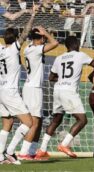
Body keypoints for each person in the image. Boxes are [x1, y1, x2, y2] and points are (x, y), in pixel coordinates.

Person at [36, 36, 94, 159]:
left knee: (56, 120)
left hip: (57, 90)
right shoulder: (80, 55)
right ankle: (64, 144)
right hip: (69, 91)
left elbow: (51, 78)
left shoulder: (59, 58)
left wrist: (63, 79)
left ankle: (42, 149)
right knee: (82, 120)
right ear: (76, 44)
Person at [0, 11, 36, 165]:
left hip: (1, 90)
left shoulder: (0, 50)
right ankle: (9, 151)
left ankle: (0, 156)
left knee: (7, 123)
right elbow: (26, 32)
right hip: (10, 91)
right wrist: (32, 16)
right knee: (29, 122)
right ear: (15, 39)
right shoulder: (13, 49)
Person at [18, 26, 59, 160]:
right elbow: (55, 43)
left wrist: (40, 34)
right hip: (33, 89)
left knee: (39, 121)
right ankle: (24, 152)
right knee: (34, 122)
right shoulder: (35, 50)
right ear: (40, 38)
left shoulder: (29, 47)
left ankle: (32, 150)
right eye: (43, 38)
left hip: (33, 88)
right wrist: (46, 33)